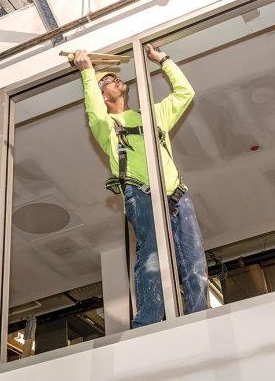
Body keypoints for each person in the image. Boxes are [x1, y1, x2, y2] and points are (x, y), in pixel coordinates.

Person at [72, 45, 208, 328]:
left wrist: (163, 60)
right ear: (102, 95)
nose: (115, 80)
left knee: (194, 260)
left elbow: (186, 93)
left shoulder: (153, 115)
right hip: (140, 192)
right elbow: (94, 113)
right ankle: (147, 323)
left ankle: (199, 318)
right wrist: (87, 73)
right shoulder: (108, 126)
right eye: (108, 81)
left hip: (176, 193)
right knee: (151, 256)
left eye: (112, 78)